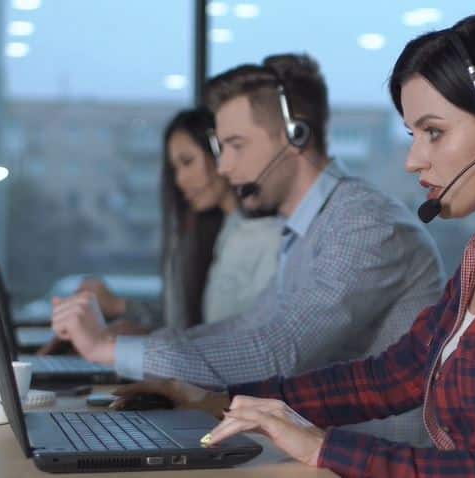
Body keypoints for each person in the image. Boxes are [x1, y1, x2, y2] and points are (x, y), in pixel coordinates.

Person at [111, 14, 475, 477]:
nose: (413, 160)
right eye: (412, 135)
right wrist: (229, 401)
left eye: (434, 132)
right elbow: (393, 376)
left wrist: (323, 448)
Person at [49, 53, 446, 445]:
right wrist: (140, 353)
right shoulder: (303, 229)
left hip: (371, 463)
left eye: (236, 145)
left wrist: (108, 348)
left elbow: (279, 351)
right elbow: (244, 328)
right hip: (313, 453)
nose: (223, 167)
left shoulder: (365, 224)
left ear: (295, 136)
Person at [44, 108, 282, 348]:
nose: (180, 180)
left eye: (188, 162)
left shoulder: (265, 236)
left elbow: (236, 342)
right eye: (175, 169)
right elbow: (191, 326)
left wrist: (126, 342)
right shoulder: (219, 232)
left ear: (220, 152)